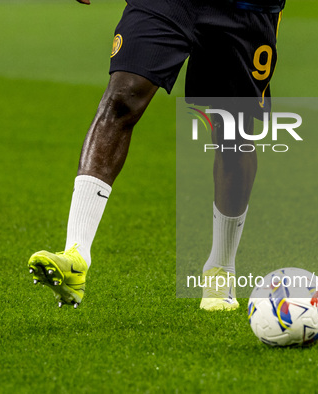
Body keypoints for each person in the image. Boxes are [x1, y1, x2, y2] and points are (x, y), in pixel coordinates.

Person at [27, 0, 286, 310]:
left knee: (232, 133)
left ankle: (221, 268)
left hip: (244, 9)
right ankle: (76, 256)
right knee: (121, 98)